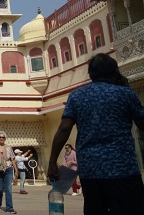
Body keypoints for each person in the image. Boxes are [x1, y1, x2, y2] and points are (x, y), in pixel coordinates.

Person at [47, 53, 144, 214]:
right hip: (123, 168)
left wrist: (52, 163)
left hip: (91, 170)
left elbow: (64, 129)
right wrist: (127, 90)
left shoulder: (77, 96)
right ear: (115, 72)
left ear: (91, 74)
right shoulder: (125, 94)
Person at [0, 131, 18, 214]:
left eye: (3, 137)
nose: (1, 139)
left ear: (5, 138)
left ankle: (9, 208)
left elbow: (12, 159)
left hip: (8, 169)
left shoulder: (9, 148)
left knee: (8, 189)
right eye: (0, 137)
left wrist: (16, 170)